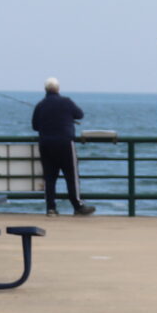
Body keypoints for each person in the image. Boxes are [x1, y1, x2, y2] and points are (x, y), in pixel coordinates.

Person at [30, 77, 97, 217]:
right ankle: (78, 206)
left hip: (46, 144)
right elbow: (80, 114)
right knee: (71, 176)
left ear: (45, 89)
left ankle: (51, 209)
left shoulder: (40, 105)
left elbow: (35, 126)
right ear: (58, 89)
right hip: (65, 143)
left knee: (49, 178)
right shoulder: (66, 102)